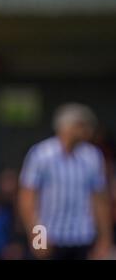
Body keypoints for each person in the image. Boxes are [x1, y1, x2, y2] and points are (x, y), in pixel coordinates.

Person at [19, 103, 112, 260]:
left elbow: (99, 200)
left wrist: (105, 240)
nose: (87, 130)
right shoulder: (41, 154)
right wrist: (38, 239)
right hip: (50, 237)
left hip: (83, 238)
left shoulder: (93, 156)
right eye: (81, 125)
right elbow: (27, 199)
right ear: (65, 126)